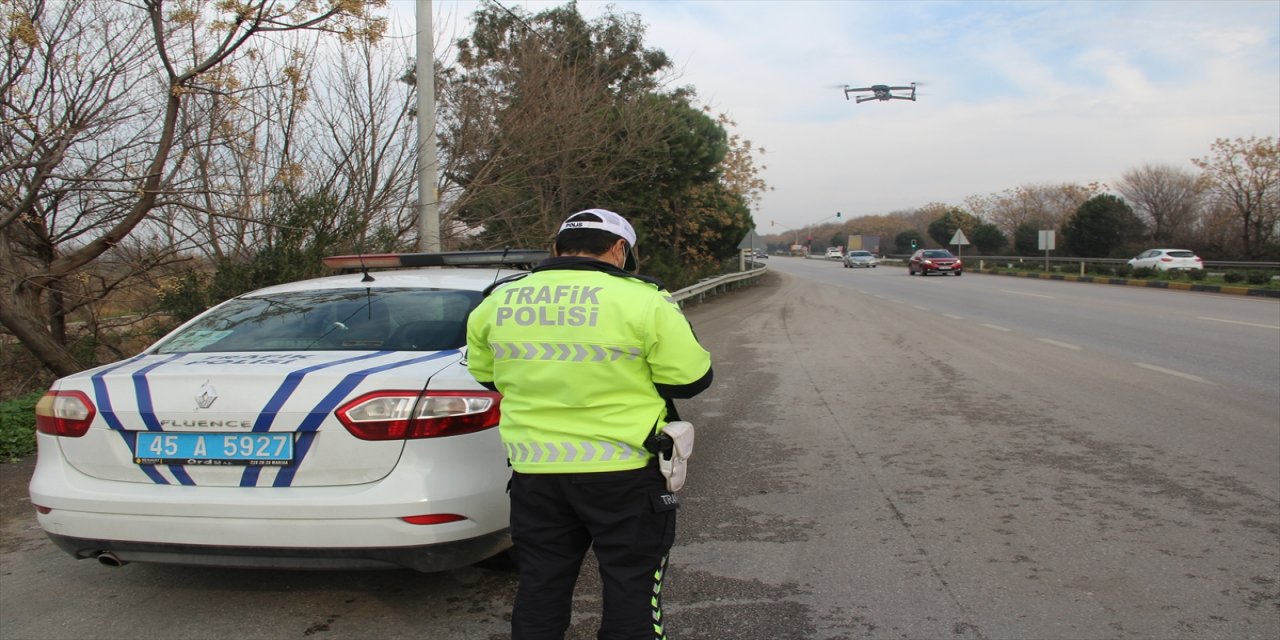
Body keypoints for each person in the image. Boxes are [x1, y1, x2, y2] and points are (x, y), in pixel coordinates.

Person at [466, 208, 714, 640]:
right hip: (624, 471)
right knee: (632, 588)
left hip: (535, 473)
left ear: (556, 247)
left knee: (541, 585)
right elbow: (690, 380)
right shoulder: (643, 299)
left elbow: (486, 374)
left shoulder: (498, 300)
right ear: (619, 250)